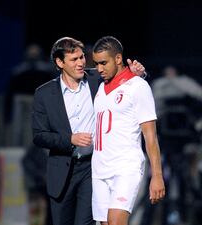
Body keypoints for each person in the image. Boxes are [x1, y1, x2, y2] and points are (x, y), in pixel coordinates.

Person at [32, 37, 145, 225]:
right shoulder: (44, 94)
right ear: (60, 63)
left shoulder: (96, 79)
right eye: (74, 59)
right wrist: (70, 139)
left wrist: (137, 74)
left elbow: (124, 82)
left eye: (82, 57)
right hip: (62, 171)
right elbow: (39, 136)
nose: (81, 62)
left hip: (92, 168)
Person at [91, 36, 165, 225]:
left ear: (118, 58)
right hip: (99, 170)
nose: (99, 69)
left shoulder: (138, 87)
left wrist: (156, 176)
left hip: (125, 168)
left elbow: (150, 136)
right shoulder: (100, 88)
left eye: (103, 63)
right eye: (96, 64)